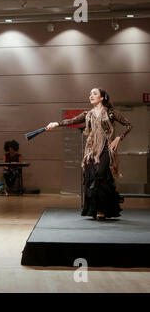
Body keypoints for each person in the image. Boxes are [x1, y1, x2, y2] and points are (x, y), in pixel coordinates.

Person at [45, 88, 132, 221]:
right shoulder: (88, 114)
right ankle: (96, 209)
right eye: (90, 94)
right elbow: (71, 121)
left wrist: (118, 138)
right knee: (91, 177)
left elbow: (128, 125)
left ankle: (103, 209)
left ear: (102, 97)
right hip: (91, 150)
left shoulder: (111, 112)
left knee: (101, 175)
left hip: (106, 148)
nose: (91, 96)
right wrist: (56, 123)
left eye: (95, 94)